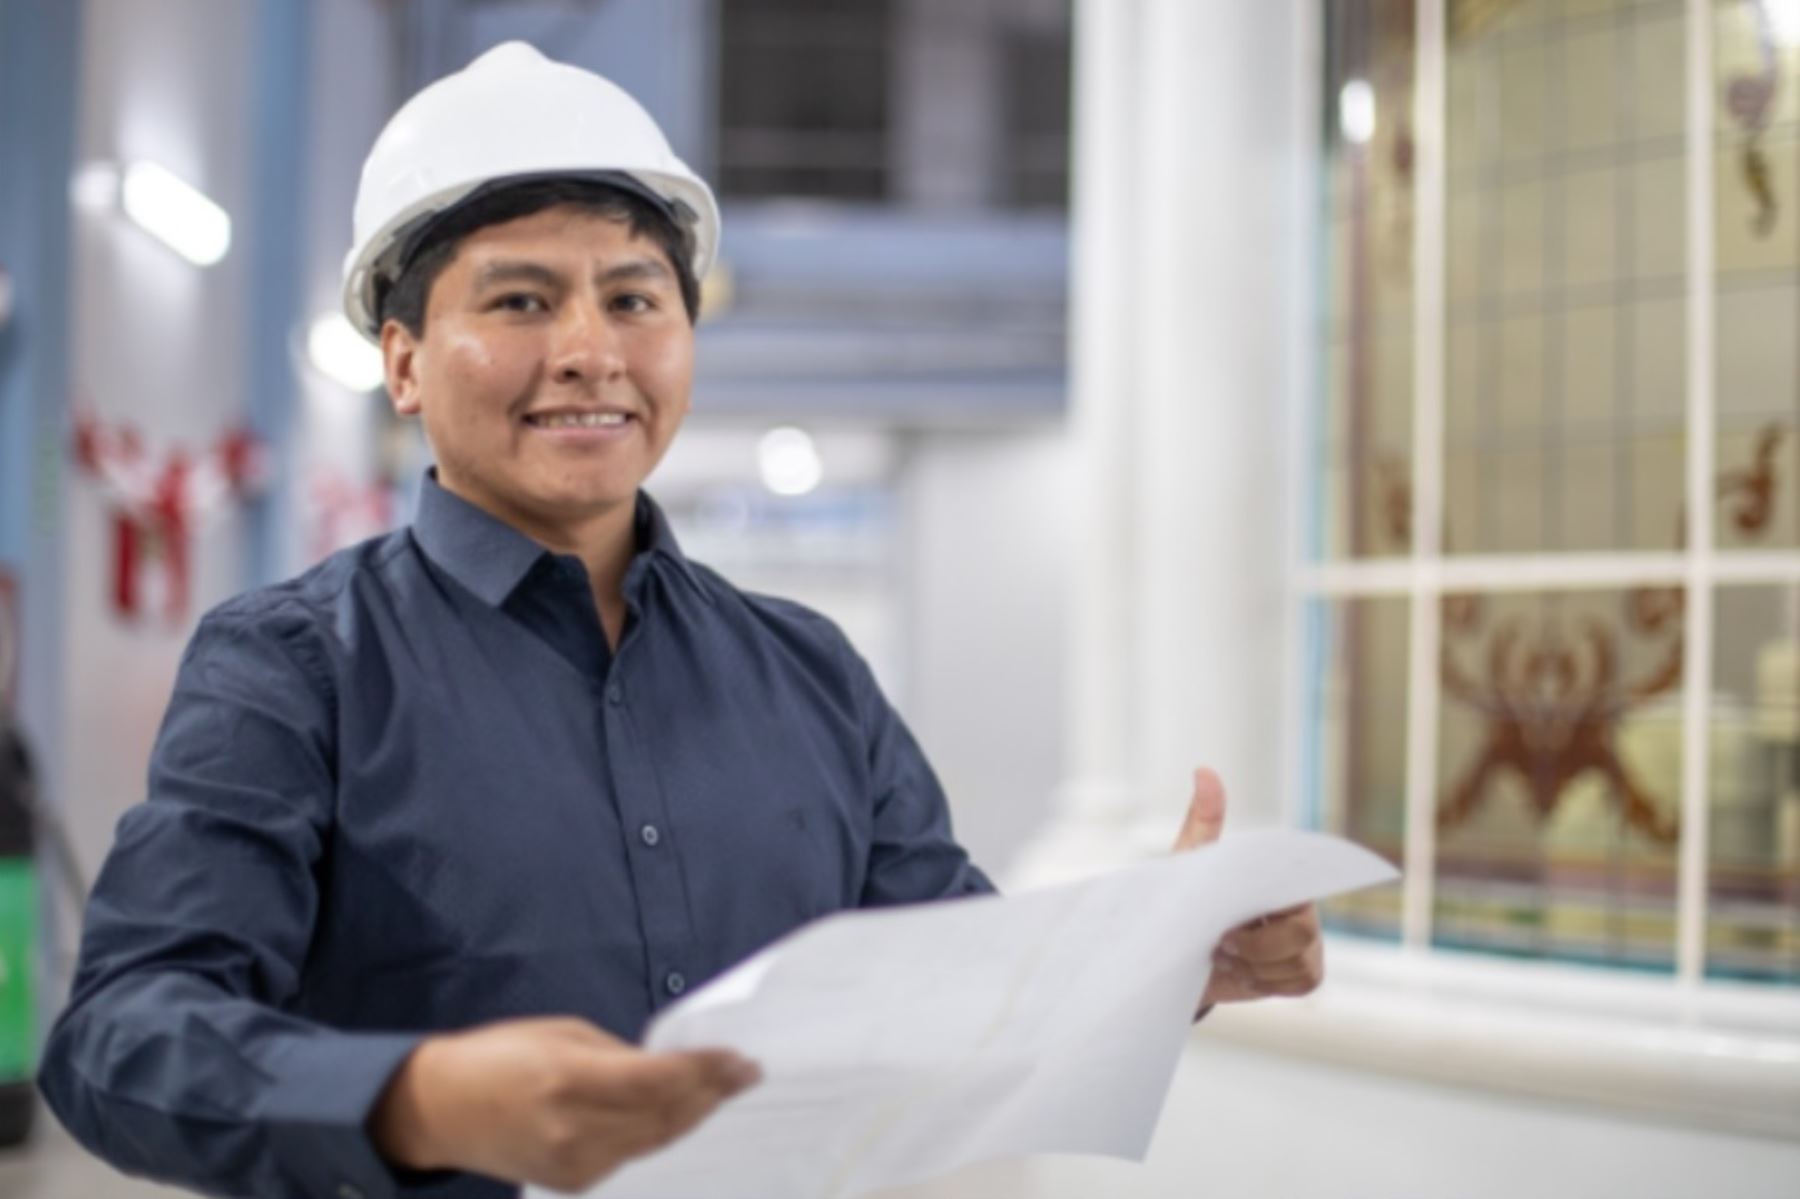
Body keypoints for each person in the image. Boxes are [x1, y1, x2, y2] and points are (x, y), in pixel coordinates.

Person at [38, 42, 1322, 1199]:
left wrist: (1159, 960)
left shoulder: (807, 671)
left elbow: (957, 991)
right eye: (521, 300)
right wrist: (418, 1099)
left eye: (636, 299)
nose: (593, 349)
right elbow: (121, 1037)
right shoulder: (295, 666)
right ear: (405, 360)